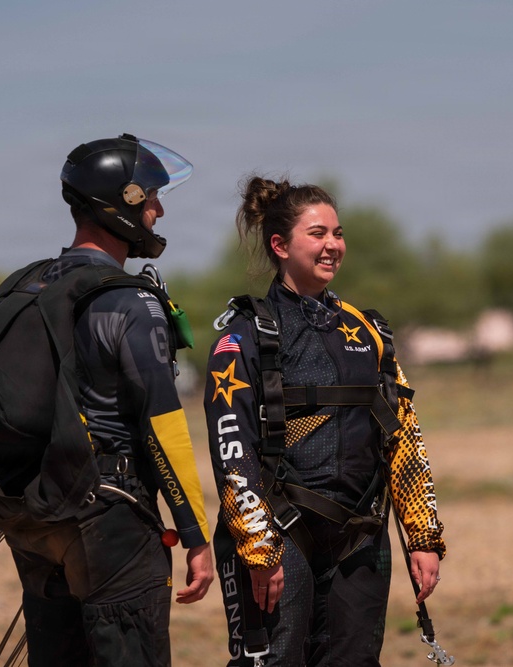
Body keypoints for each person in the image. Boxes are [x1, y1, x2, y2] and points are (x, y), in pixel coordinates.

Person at [204, 176, 446, 665]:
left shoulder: (369, 332)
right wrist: (257, 548)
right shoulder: (245, 335)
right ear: (280, 245)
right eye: (317, 234)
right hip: (278, 536)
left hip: (360, 538)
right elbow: (233, 448)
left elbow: (403, 437)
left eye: (337, 233)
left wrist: (423, 537)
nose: (333, 245)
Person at [3, 133, 214, 665]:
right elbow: (162, 424)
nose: (159, 211)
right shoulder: (130, 302)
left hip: (35, 516)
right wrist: (194, 533)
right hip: (112, 519)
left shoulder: (29, 287)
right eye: (151, 198)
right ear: (121, 204)